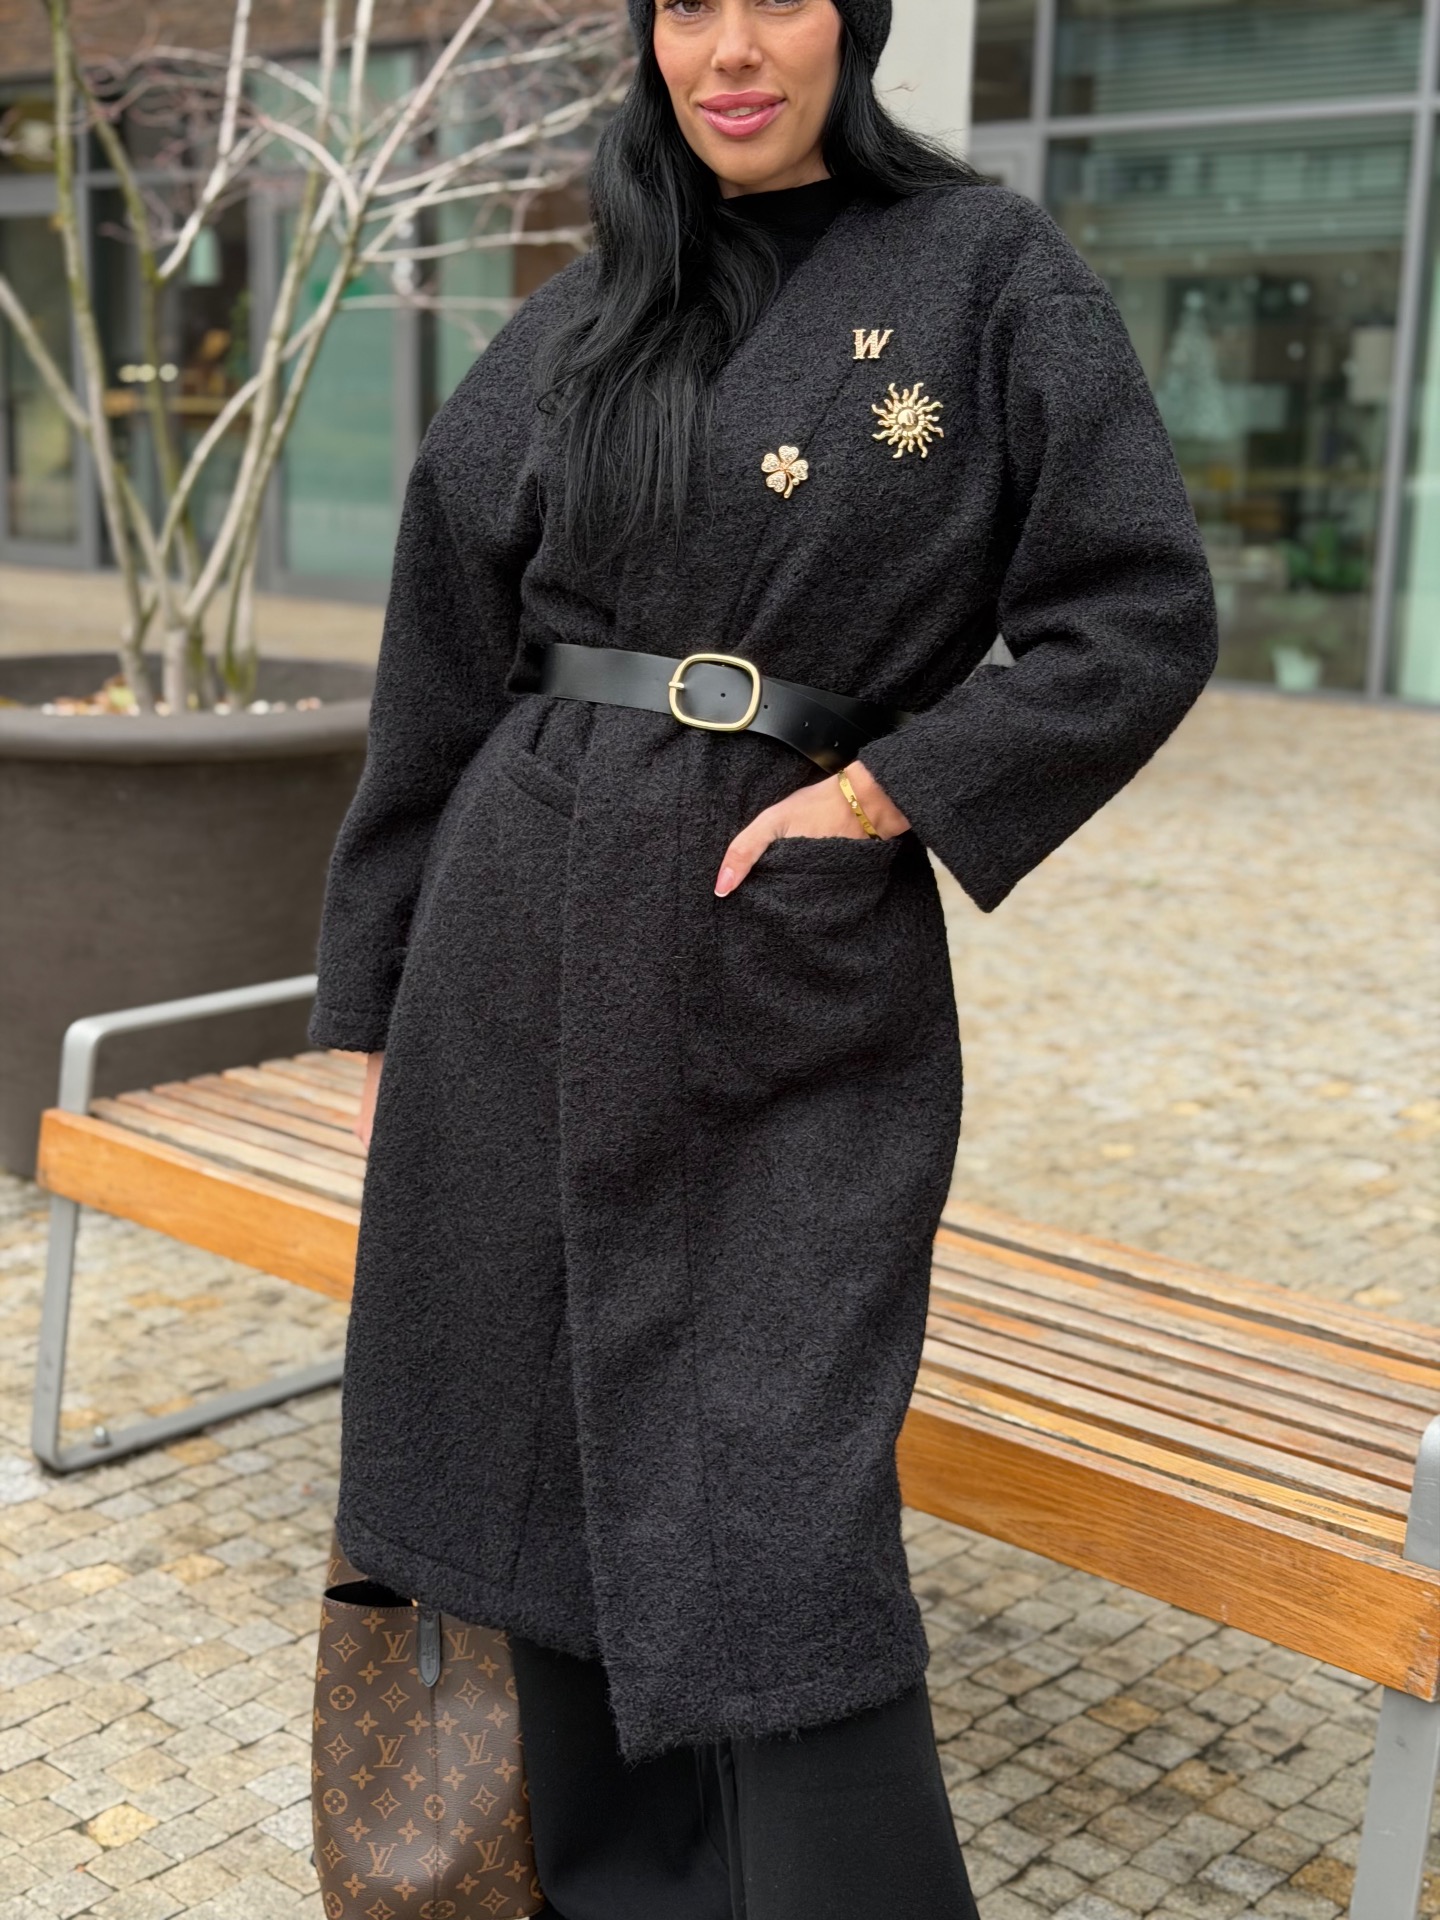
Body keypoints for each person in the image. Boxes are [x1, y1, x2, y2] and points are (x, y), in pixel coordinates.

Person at [307, 0, 1219, 1910]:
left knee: (778, 1464)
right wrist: (374, 1002)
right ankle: (596, 1884)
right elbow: (439, 655)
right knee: (528, 1420)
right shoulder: (593, 302)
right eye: (686, 5)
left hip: (778, 942)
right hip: (516, 925)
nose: (729, 49)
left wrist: (884, 796)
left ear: (854, 24)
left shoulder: (984, 273)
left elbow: (1134, 611)